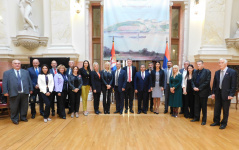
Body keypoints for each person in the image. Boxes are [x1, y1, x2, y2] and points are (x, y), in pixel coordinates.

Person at [3, 60, 33, 125]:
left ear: (20, 64)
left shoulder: (26, 72)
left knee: (24, 106)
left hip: (24, 92)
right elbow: (4, 83)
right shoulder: (7, 73)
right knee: (14, 107)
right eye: (15, 63)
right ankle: (14, 119)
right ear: (12, 65)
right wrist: (5, 91)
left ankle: (23, 117)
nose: (17, 65)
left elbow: (29, 81)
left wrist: (31, 89)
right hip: (13, 92)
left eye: (19, 63)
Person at [210, 58, 237, 129]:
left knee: (225, 110)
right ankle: (216, 121)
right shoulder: (217, 72)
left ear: (226, 63)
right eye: (219, 63)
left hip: (227, 94)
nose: (220, 64)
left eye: (222, 62)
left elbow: (234, 85)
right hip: (218, 93)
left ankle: (224, 123)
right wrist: (213, 93)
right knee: (217, 108)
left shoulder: (232, 72)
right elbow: (215, 84)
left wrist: (231, 94)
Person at [191, 60, 211, 125]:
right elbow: (192, 81)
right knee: (196, 106)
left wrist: (199, 88)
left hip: (203, 92)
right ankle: (196, 118)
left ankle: (204, 120)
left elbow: (207, 82)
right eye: (197, 64)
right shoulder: (195, 72)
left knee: (203, 106)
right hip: (196, 92)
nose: (198, 65)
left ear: (203, 64)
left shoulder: (207, 72)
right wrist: (194, 87)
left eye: (199, 64)